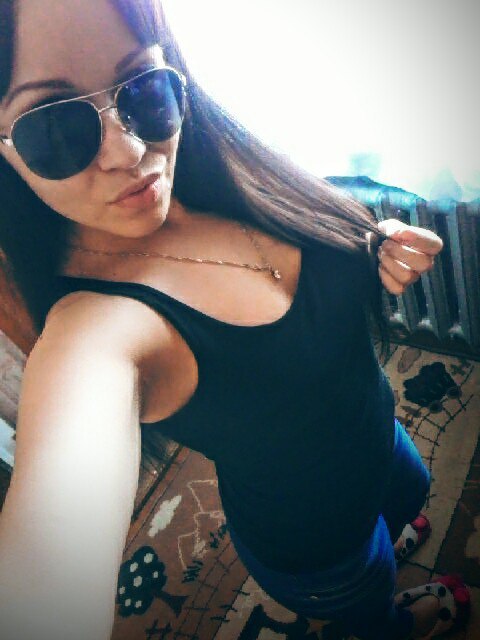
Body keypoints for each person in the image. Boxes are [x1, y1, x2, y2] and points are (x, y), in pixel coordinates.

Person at [0, 1, 469, 639]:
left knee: (404, 504)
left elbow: (314, 245)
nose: (130, 151)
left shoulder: (216, 170)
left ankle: (389, 529)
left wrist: (371, 245)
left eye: (143, 88)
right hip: (316, 545)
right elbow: (47, 580)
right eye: (56, 127)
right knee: (371, 600)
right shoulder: (94, 332)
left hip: (383, 442)